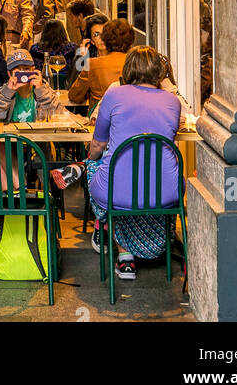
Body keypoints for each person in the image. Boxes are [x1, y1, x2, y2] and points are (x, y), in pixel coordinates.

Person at [52, 46, 182, 282]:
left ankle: (124, 254)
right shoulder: (173, 102)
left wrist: (89, 160)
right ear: (160, 71)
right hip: (165, 192)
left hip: (117, 193)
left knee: (95, 168)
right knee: (146, 183)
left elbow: (98, 145)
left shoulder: (115, 95)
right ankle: (158, 241)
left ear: (128, 69)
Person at [68, 18, 134, 112]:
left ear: (106, 38)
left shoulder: (92, 64)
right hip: (131, 117)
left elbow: (74, 96)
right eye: (96, 34)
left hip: (101, 118)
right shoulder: (136, 62)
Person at [30, 18, 78, 83]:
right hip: (67, 83)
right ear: (63, 32)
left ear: (44, 32)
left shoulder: (35, 49)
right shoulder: (72, 48)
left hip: (43, 83)